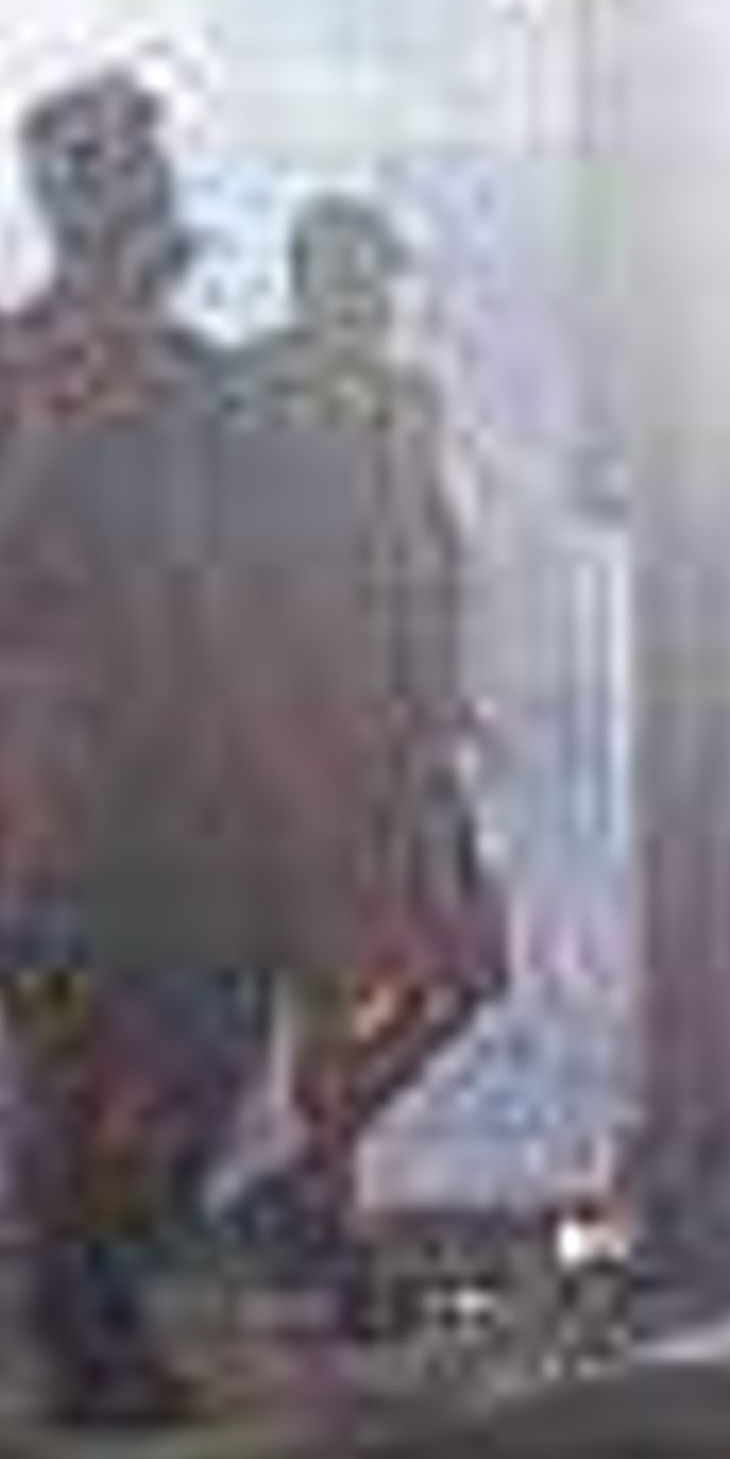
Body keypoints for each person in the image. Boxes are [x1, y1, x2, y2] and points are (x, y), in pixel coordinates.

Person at [0, 73, 295, 1426]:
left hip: (131, 754)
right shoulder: (25, 367)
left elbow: (253, 573)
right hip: (67, 752)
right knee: (94, 1042)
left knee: (164, 1035)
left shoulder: (181, 377)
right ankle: (91, 1322)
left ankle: (90, 1305)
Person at [215, 195, 508, 1331]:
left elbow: (429, 550)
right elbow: (235, 574)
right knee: (334, 990)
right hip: (302, 732)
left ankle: (306, 1197)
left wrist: (444, 689)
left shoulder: (397, 403)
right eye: (366, 280)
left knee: (465, 968)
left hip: (391, 735)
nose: (381, 304)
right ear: (316, 280)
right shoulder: (257, 399)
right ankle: (323, 1232)